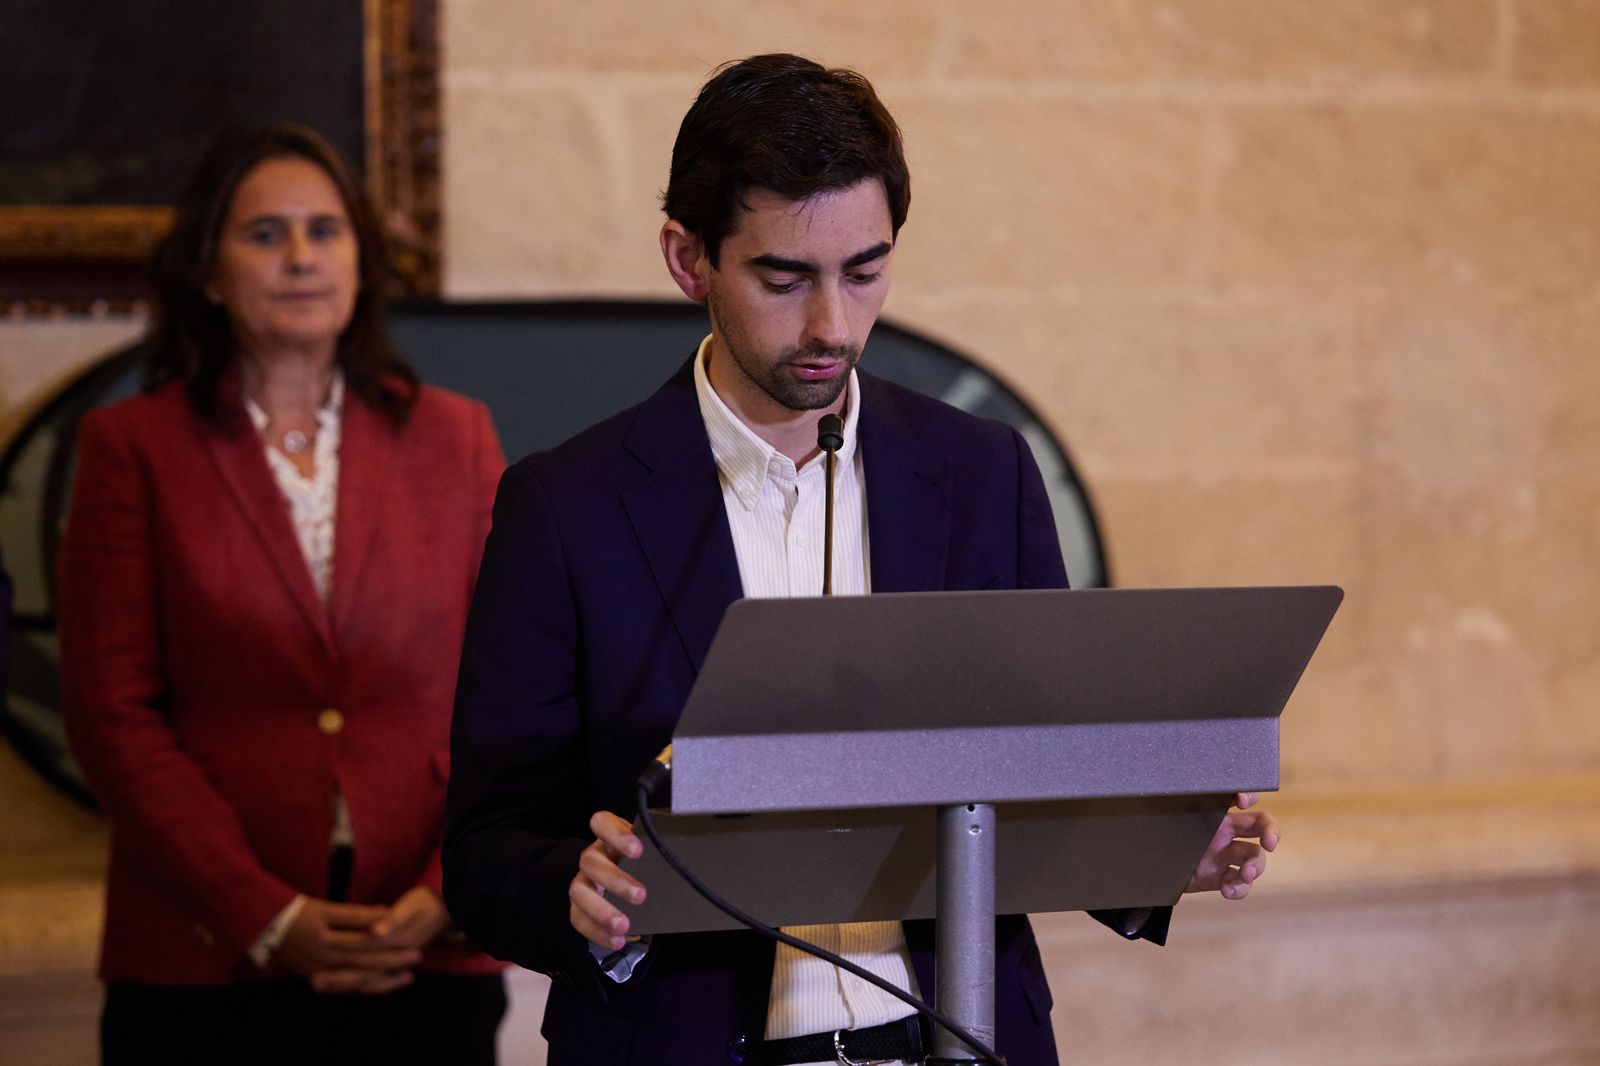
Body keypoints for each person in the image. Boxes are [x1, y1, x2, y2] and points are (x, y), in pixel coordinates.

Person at [444, 54, 1278, 1065]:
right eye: (783, 277)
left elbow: (1046, 772)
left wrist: (1160, 853)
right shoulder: (563, 507)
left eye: (865, 270)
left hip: (959, 1037)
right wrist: (575, 894)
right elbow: (487, 853)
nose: (831, 325)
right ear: (686, 258)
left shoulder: (981, 471)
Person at [58, 123, 508, 1066]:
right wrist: (264, 915)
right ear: (211, 272)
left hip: (423, 949)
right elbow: (111, 713)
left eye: (325, 230)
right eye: (266, 234)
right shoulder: (131, 449)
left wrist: (449, 887)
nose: (301, 257)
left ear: (360, 261)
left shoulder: (456, 438)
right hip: (203, 961)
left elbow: (513, 692)